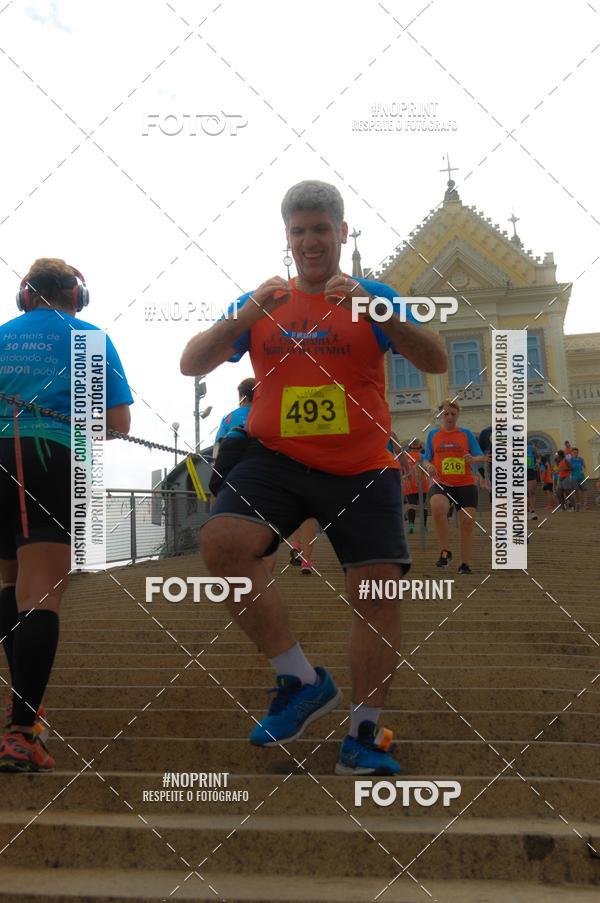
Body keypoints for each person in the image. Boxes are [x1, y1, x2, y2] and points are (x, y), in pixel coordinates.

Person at [180, 179, 447, 775]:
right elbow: (191, 362)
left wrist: (378, 311)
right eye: (299, 232)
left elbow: (434, 360)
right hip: (277, 458)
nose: (310, 241)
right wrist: (245, 315)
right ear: (287, 239)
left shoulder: (370, 295)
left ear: (341, 232)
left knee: (376, 594)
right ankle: (300, 680)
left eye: (321, 230)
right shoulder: (265, 301)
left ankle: (363, 734)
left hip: (362, 465)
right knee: (223, 544)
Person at [0, 258, 133, 772]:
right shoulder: (89, 338)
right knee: (42, 595)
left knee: (11, 585)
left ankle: (25, 719)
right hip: (52, 459)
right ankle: (20, 733)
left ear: (25, 297)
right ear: (76, 296)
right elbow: (118, 422)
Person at [422, 400, 489, 575]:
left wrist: (473, 460)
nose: (450, 417)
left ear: (458, 415)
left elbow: (481, 456)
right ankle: (445, 552)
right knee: (437, 508)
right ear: (440, 415)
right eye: (446, 414)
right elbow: (426, 458)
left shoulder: (466, 434)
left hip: (465, 484)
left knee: (467, 524)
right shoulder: (433, 435)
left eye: (453, 413)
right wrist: (428, 466)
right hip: (441, 483)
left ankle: (465, 564)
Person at [209, 377, 256, 498]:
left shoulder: (228, 417)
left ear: (243, 397)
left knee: (214, 488)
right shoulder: (265, 414)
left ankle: (213, 515)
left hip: (230, 460)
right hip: (258, 462)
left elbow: (217, 448)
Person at [401, 439, 430, 534]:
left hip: (409, 484)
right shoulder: (423, 456)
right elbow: (427, 469)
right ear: (420, 448)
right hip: (422, 484)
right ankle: (424, 527)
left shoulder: (405, 457)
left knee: (411, 506)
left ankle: (411, 525)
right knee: (423, 506)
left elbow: (401, 471)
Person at [569, 448, 589, 512]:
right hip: (574, 478)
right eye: (574, 452)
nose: (576, 453)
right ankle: (577, 504)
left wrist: (583, 471)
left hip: (582, 477)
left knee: (584, 490)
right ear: (572, 453)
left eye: (576, 452)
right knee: (576, 491)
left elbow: (584, 467)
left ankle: (585, 504)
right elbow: (568, 469)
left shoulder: (581, 459)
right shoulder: (570, 460)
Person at [526, 441, 539, 521]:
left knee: (532, 492)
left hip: (530, 470)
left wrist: (537, 463)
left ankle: (533, 511)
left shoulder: (531, 448)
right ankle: (527, 511)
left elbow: (537, 456)